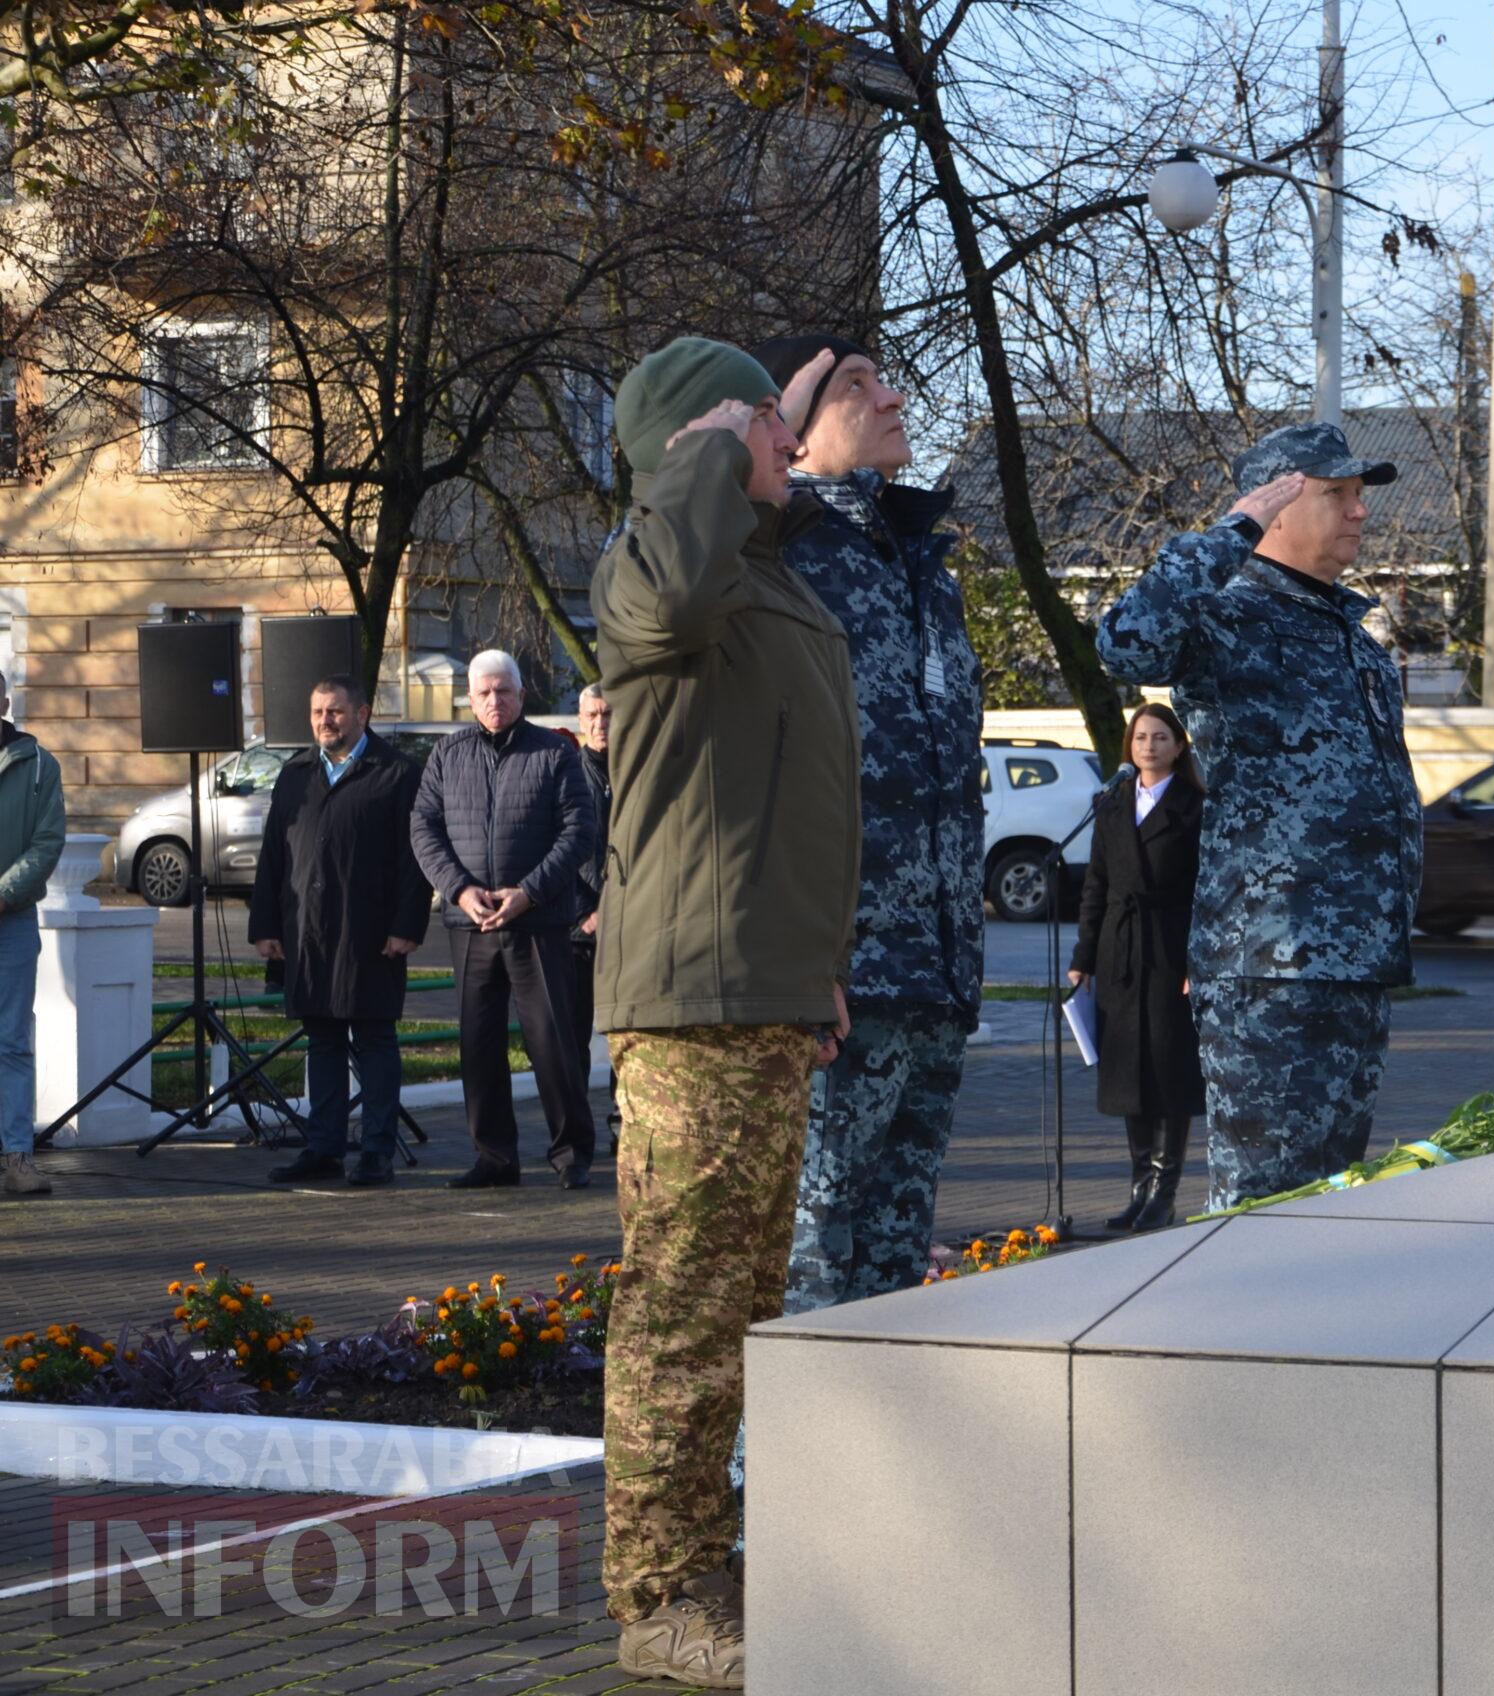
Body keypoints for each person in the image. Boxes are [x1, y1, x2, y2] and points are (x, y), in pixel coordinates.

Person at [590, 334, 856, 1689]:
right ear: (699, 437)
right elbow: (672, 592)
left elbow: (782, 799)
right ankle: (658, 1597)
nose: (786, 440)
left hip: (765, 990)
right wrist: (704, 445)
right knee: (682, 1311)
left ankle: (708, 1560)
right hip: (692, 1000)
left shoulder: (762, 580)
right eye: (762, 419)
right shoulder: (656, 569)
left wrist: (816, 966)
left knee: (739, 1303)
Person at [1094, 422, 1422, 1212]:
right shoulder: (1226, 615)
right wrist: (1231, 532)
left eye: (1359, 495)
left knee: (1330, 1208)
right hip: (1270, 963)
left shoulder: (1353, 638)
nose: (1359, 511)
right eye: (1337, 494)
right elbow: (1126, 644)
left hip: (1355, 961)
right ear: (1275, 507)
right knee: (1258, 1211)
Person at [748, 334, 984, 1311]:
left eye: (886, 381)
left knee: (895, 1266)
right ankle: (791, 1421)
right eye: (855, 386)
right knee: (811, 1257)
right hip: (838, 979)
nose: (891, 399)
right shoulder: (774, 549)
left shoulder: (921, 562)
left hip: (934, 968)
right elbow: (653, 553)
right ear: (790, 431)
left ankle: (876, 1415)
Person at [408, 650, 598, 1189]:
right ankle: (494, 1157)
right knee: (479, 1044)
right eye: (484, 693)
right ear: (470, 699)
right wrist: (458, 889)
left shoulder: (554, 753)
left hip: (537, 922)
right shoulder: (447, 754)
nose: (495, 701)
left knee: (553, 1042)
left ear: (521, 694)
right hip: (472, 923)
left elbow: (579, 831)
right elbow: (423, 827)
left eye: (504, 691)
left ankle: (571, 1154)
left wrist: (529, 893)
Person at [249, 677, 434, 1186]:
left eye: (334, 711)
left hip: (370, 932)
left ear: (362, 714)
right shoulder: (296, 774)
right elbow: (273, 854)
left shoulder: (397, 773)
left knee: (375, 1040)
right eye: (317, 712)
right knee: (322, 1040)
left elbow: (415, 860)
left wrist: (406, 926)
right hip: (307, 930)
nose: (324, 721)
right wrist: (265, 925)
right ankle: (324, 1148)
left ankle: (376, 1152)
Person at [1068, 703, 1207, 1230]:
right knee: (1128, 1072)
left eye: (1160, 737)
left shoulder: (1195, 806)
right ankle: (1138, 1189)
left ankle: (1164, 1195)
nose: (1149, 746)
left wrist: (1199, 959)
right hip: (1120, 952)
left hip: (1172, 949)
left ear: (1179, 746)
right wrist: (1084, 959)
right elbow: (1096, 886)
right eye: (1141, 737)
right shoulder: (1111, 803)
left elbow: (1208, 891)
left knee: (1168, 1070)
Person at [0, 675, 63, 1199]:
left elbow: (47, 842)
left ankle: (17, 1157)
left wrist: (3, 894)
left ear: (3, 703)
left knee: (12, 1041)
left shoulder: (40, 765)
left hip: (12, 919)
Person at [569, 682, 614, 1149]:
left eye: (609, 714)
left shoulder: (638, 775)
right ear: (580, 721)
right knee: (573, 1037)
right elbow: (562, 850)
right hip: (577, 931)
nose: (602, 724)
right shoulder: (567, 774)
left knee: (628, 1036)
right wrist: (586, 911)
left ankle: (626, 1124)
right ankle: (577, 1135)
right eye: (594, 716)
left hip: (630, 928)